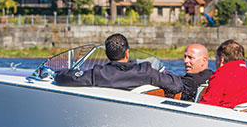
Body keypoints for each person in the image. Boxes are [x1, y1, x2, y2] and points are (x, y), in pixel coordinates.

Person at [54, 33, 183, 94]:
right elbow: (177, 85)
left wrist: (62, 72)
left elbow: (62, 78)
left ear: (107, 55)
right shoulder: (146, 71)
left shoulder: (98, 74)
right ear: (127, 53)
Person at [198, 39, 247, 108]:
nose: (215, 62)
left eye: (216, 58)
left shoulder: (220, 77)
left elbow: (206, 107)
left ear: (222, 59)